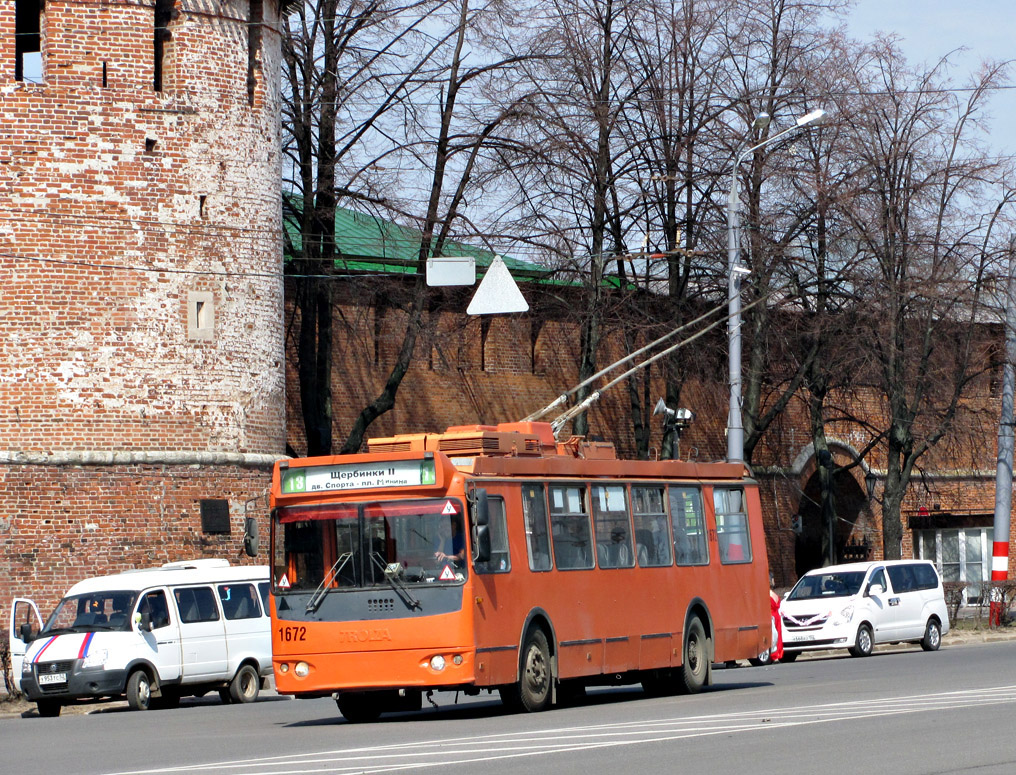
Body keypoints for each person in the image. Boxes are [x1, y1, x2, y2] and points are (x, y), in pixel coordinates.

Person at [769, 575, 784, 662]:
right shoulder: (774, 594)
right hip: (776, 616)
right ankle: (778, 653)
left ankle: (773, 653)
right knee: (777, 635)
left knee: (773, 635)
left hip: (771, 616)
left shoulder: (766, 594)